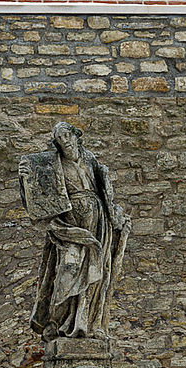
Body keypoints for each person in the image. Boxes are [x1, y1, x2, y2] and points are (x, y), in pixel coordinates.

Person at [19, 121, 131, 340]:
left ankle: (87, 323)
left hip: (98, 224)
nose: (65, 142)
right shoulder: (51, 164)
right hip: (69, 226)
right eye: (60, 139)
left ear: (76, 136)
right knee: (68, 268)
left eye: (67, 136)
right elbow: (37, 200)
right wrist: (25, 179)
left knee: (96, 274)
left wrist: (116, 218)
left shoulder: (90, 160)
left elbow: (105, 193)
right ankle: (55, 320)